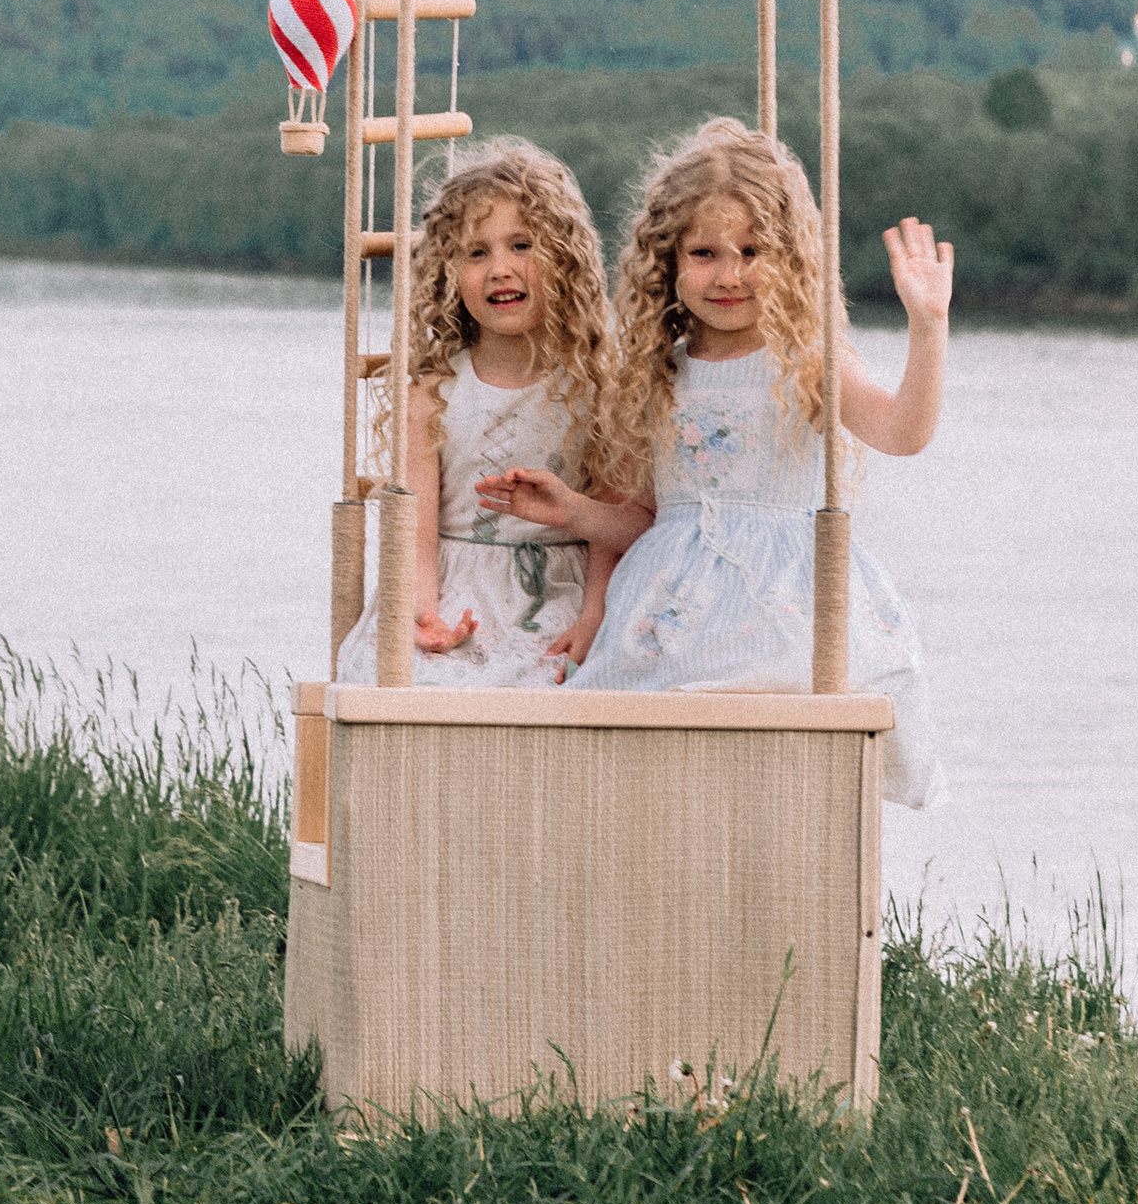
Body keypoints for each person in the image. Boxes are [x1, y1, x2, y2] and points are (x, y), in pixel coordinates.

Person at [480, 117, 949, 804]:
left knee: (774, 752)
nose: (729, 275)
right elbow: (647, 522)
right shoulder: (657, 376)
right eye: (704, 253)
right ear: (667, 262)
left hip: (783, 608)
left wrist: (927, 327)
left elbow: (904, 432)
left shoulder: (809, 364)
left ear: (790, 258)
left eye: (752, 250)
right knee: (664, 768)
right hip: (670, 608)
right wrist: (573, 511)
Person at [333, 140, 629, 687]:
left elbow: (607, 525)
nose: (500, 270)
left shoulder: (597, 390)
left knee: (568, 684)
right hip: (455, 589)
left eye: (521, 245)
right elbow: (417, 534)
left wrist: (595, 617)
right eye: (476, 253)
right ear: (449, 272)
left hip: (567, 594)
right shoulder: (435, 392)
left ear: (565, 259)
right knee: (416, 680)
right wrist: (424, 616)